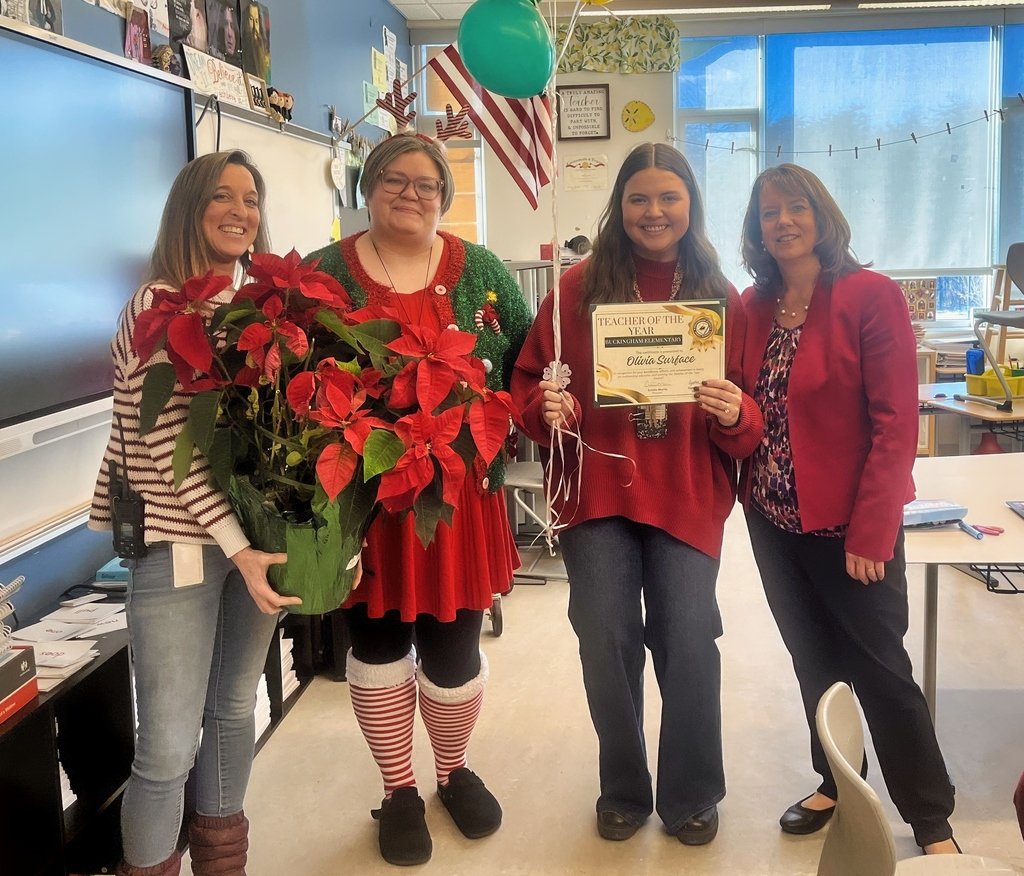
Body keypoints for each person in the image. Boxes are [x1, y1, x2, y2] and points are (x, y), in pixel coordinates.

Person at [511, 143, 763, 847]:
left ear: (691, 205)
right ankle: (622, 786)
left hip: (684, 492)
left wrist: (733, 411)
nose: (654, 212)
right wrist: (546, 410)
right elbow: (530, 383)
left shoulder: (722, 296)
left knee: (688, 639)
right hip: (598, 493)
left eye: (669, 198)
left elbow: (749, 425)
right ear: (619, 207)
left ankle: (691, 792)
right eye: (639, 199)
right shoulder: (578, 287)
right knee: (605, 638)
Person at [304, 132, 531, 867]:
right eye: (393, 180)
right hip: (361, 503)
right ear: (367, 188)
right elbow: (286, 382)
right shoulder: (325, 273)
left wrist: (542, 403)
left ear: (444, 195)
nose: (409, 193)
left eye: (425, 183)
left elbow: (526, 364)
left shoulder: (484, 271)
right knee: (374, 647)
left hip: (460, 501)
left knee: (454, 651)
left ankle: (453, 770)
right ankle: (398, 788)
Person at [735, 163, 959, 854]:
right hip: (773, 523)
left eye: (795, 207)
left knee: (881, 672)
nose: (783, 222)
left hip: (851, 528)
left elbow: (896, 423)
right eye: (769, 213)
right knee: (813, 663)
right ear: (756, 228)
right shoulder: (750, 307)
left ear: (822, 215)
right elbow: (746, 414)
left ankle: (930, 819)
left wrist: (873, 528)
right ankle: (836, 778)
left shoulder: (870, 295)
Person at [89, 150, 302, 876]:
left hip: (252, 542)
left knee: (234, 710)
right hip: (185, 544)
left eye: (252, 196)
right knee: (169, 748)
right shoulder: (158, 306)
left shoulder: (247, 310)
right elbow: (169, 446)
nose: (242, 209)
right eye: (223, 196)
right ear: (189, 207)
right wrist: (239, 547)